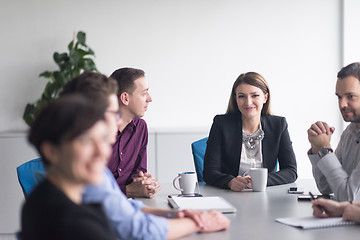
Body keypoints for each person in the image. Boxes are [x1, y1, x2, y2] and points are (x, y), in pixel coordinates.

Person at [60, 71, 230, 239]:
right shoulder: (81, 173)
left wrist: (177, 215)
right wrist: (199, 222)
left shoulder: (94, 169)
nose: (118, 121)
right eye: (112, 114)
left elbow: (120, 208)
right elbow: (137, 230)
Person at [21, 95, 116, 240]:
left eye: (103, 139)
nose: (102, 152)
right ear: (51, 151)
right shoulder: (73, 223)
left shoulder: (41, 198)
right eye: (85, 140)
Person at [203, 72, 297, 191]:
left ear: (265, 97)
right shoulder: (221, 124)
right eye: (242, 96)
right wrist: (230, 182)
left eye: (255, 95)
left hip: (265, 195)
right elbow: (209, 172)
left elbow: (291, 171)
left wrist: (261, 181)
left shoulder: (279, 125)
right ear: (235, 99)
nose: (248, 102)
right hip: (231, 195)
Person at [307, 62, 360, 201]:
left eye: (350, 96)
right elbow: (326, 186)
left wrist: (324, 149)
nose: (342, 104)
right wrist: (316, 149)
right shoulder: (350, 133)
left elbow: (349, 199)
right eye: (339, 97)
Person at [108, 67, 160, 198]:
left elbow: (138, 172)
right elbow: (87, 189)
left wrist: (143, 183)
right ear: (125, 98)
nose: (150, 99)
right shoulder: (99, 131)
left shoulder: (140, 128)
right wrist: (128, 190)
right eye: (144, 93)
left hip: (128, 205)